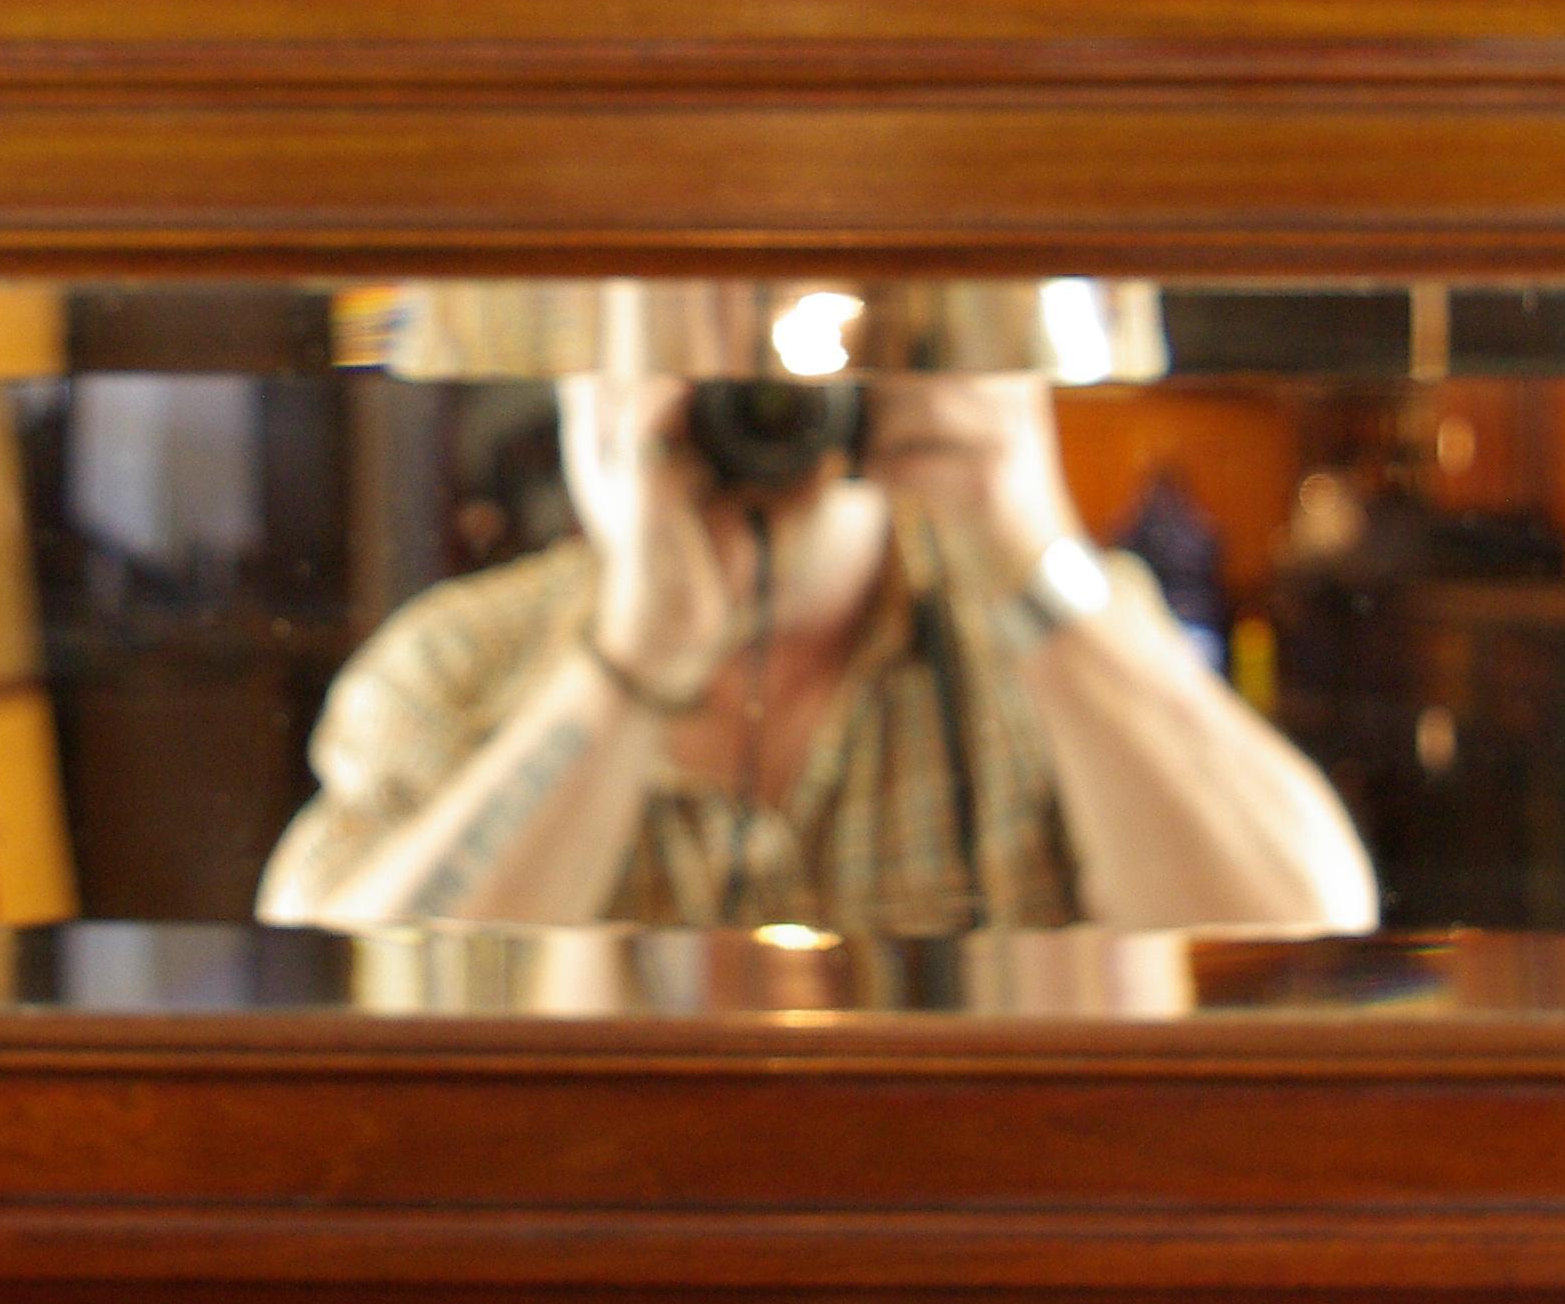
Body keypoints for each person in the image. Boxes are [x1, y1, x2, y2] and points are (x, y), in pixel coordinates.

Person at [254, 373, 1376, 935]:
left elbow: (1297, 944)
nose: (755, 405)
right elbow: (338, 1036)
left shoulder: (1046, 633)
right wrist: (627, 663)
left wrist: (1030, 546)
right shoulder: (456, 666)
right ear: (578, 397)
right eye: (687, 356)